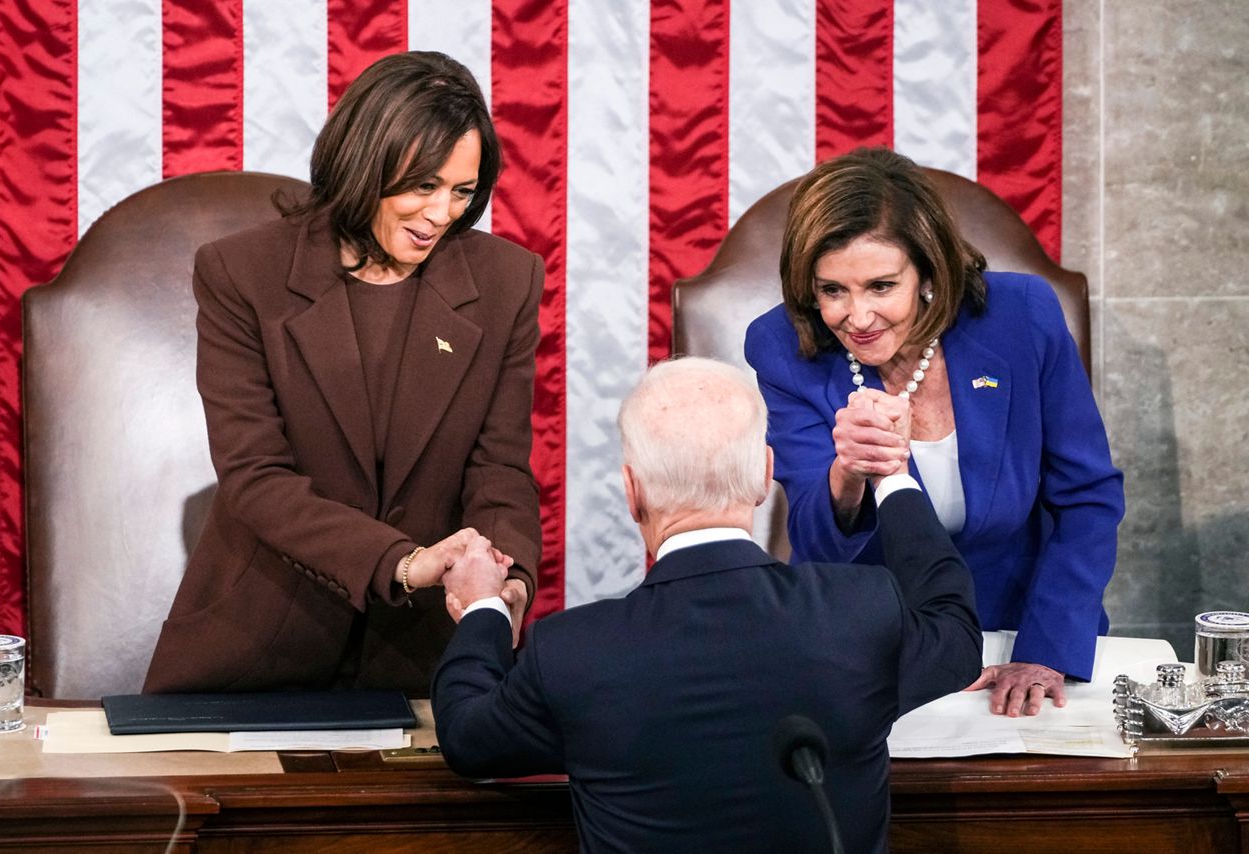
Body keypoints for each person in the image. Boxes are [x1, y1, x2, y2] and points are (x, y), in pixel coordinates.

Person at [432, 357, 980, 853]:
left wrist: (485, 607)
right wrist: (890, 473)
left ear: (632, 491)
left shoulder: (573, 652)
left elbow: (467, 738)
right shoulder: (858, 610)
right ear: (766, 476)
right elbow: (954, 632)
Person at [143, 52, 542, 696]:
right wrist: (402, 563)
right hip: (262, 642)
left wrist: (507, 574)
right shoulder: (242, 275)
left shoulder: (506, 281)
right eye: (422, 185)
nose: (441, 213)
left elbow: (499, 468)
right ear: (364, 164)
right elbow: (256, 478)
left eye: (462, 191)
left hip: (432, 653)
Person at [744, 147, 1125, 717]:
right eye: (832, 291)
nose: (858, 317)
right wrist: (846, 473)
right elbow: (816, 544)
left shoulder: (1023, 316)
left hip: (1021, 631)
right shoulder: (781, 347)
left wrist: (1044, 651)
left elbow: (1087, 498)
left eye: (880, 286)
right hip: (870, 644)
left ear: (928, 270)